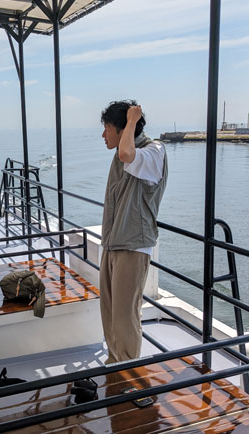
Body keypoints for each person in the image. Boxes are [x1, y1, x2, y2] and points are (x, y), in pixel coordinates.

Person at [99, 100, 167, 364]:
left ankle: (127, 371)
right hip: (114, 242)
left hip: (133, 245)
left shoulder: (153, 152)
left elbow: (128, 154)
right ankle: (114, 364)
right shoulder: (120, 154)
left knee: (125, 316)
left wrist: (131, 120)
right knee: (110, 313)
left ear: (123, 128)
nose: (103, 135)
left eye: (107, 128)